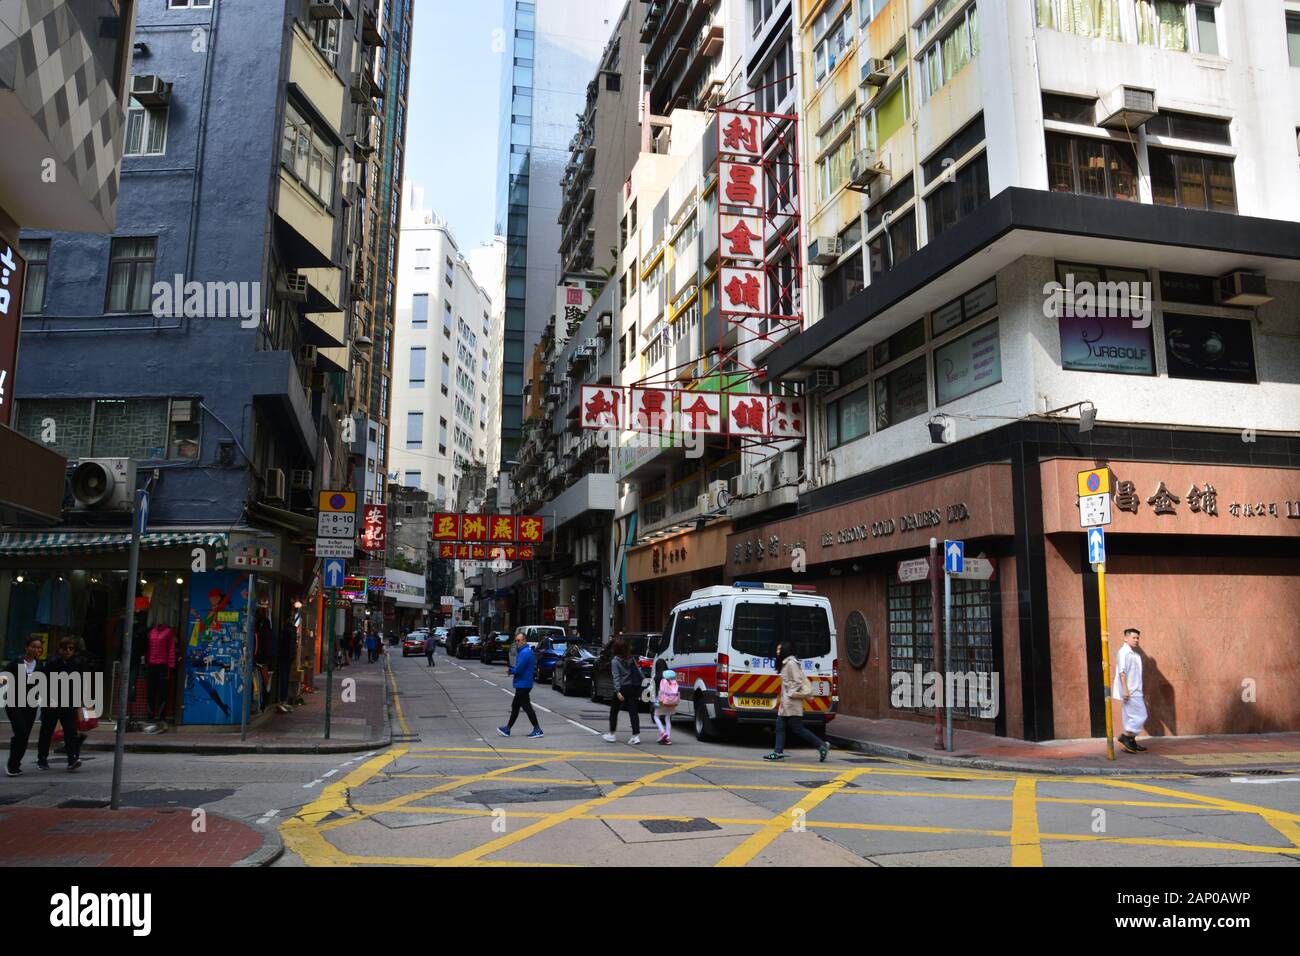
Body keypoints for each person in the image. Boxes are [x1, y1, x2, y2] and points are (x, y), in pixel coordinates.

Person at [766, 642, 829, 762]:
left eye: (779, 649)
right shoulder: (786, 663)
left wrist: (790, 693)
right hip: (787, 703)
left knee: (798, 728)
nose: (777, 651)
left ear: (785, 649)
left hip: (792, 702)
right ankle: (778, 752)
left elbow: (798, 681)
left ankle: (822, 745)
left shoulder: (791, 663)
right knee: (780, 726)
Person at [36, 638, 84, 772]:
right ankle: (42, 759)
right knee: (47, 731)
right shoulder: (52, 663)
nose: (68, 651)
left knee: (70, 731)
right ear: (60, 650)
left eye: (71, 649)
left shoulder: (76, 663)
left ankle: (72, 759)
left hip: (67, 701)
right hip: (52, 701)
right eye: (65, 648)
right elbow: (43, 682)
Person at [5, 637, 45, 776]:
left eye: (38, 647)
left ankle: (16, 763)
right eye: (33, 646)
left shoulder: (40, 665)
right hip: (14, 703)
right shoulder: (16, 663)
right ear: (26, 647)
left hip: (31, 704)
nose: (35, 650)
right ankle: (12, 764)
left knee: (25, 735)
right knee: (20, 732)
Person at [498, 632, 543, 738]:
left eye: (519, 640)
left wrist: (511, 670)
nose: (517, 642)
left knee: (527, 707)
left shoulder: (525, 652)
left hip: (523, 684)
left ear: (524, 641)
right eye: (516, 640)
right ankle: (507, 729)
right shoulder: (524, 651)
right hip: (523, 684)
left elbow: (519, 669)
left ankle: (537, 729)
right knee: (515, 706)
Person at [1113, 627, 1148, 754]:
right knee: (1142, 715)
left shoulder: (1135, 654)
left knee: (1131, 716)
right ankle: (1126, 737)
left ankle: (1131, 742)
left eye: (1137, 638)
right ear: (1125, 638)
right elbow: (1122, 673)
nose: (1136, 640)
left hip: (1136, 690)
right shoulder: (1124, 653)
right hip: (1130, 692)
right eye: (1133, 637)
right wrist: (1125, 690)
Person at [602, 637, 642, 745]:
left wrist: (618, 691)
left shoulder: (615, 661)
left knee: (614, 711)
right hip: (633, 687)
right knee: (633, 712)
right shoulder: (631, 658)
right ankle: (635, 735)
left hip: (622, 688)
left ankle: (612, 734)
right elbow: (638, 672)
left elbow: (616, 677)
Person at [146, 620, 176, 725]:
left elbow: (171, 649)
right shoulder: (151, 632)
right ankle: (150, 715)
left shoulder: (168, 632)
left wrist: (171, 666)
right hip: (151, 665)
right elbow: (148, 648)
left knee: (163, 691)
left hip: (163, 665)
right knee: (151, 691)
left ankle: (161, 716)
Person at [653, 669, 680, 746]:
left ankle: (663, 733)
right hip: (672, 703)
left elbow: (661, 692)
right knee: (668, 719)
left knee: (656, 716)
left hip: (663, 702)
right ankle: (668, 737)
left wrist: (658, 702)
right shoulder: (675, 682)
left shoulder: (663, 681)